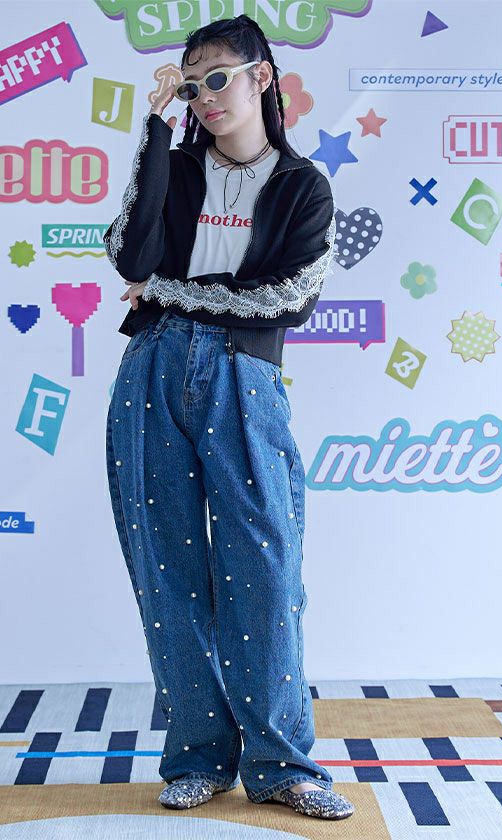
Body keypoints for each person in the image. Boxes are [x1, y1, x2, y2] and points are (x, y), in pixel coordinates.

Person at [104, 14, 353, 822]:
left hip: (245, 377)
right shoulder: (175, 167)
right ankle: (198, 756)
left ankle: (282, 765)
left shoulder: (303, 186)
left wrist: (169, 292)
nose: (205, 96)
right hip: (151, 372)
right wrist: (154, 132)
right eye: (190, 85)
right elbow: (128, 254)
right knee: (167, 570)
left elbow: (286, 300)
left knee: (265, 568)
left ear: (261, 77)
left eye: (218, 78)